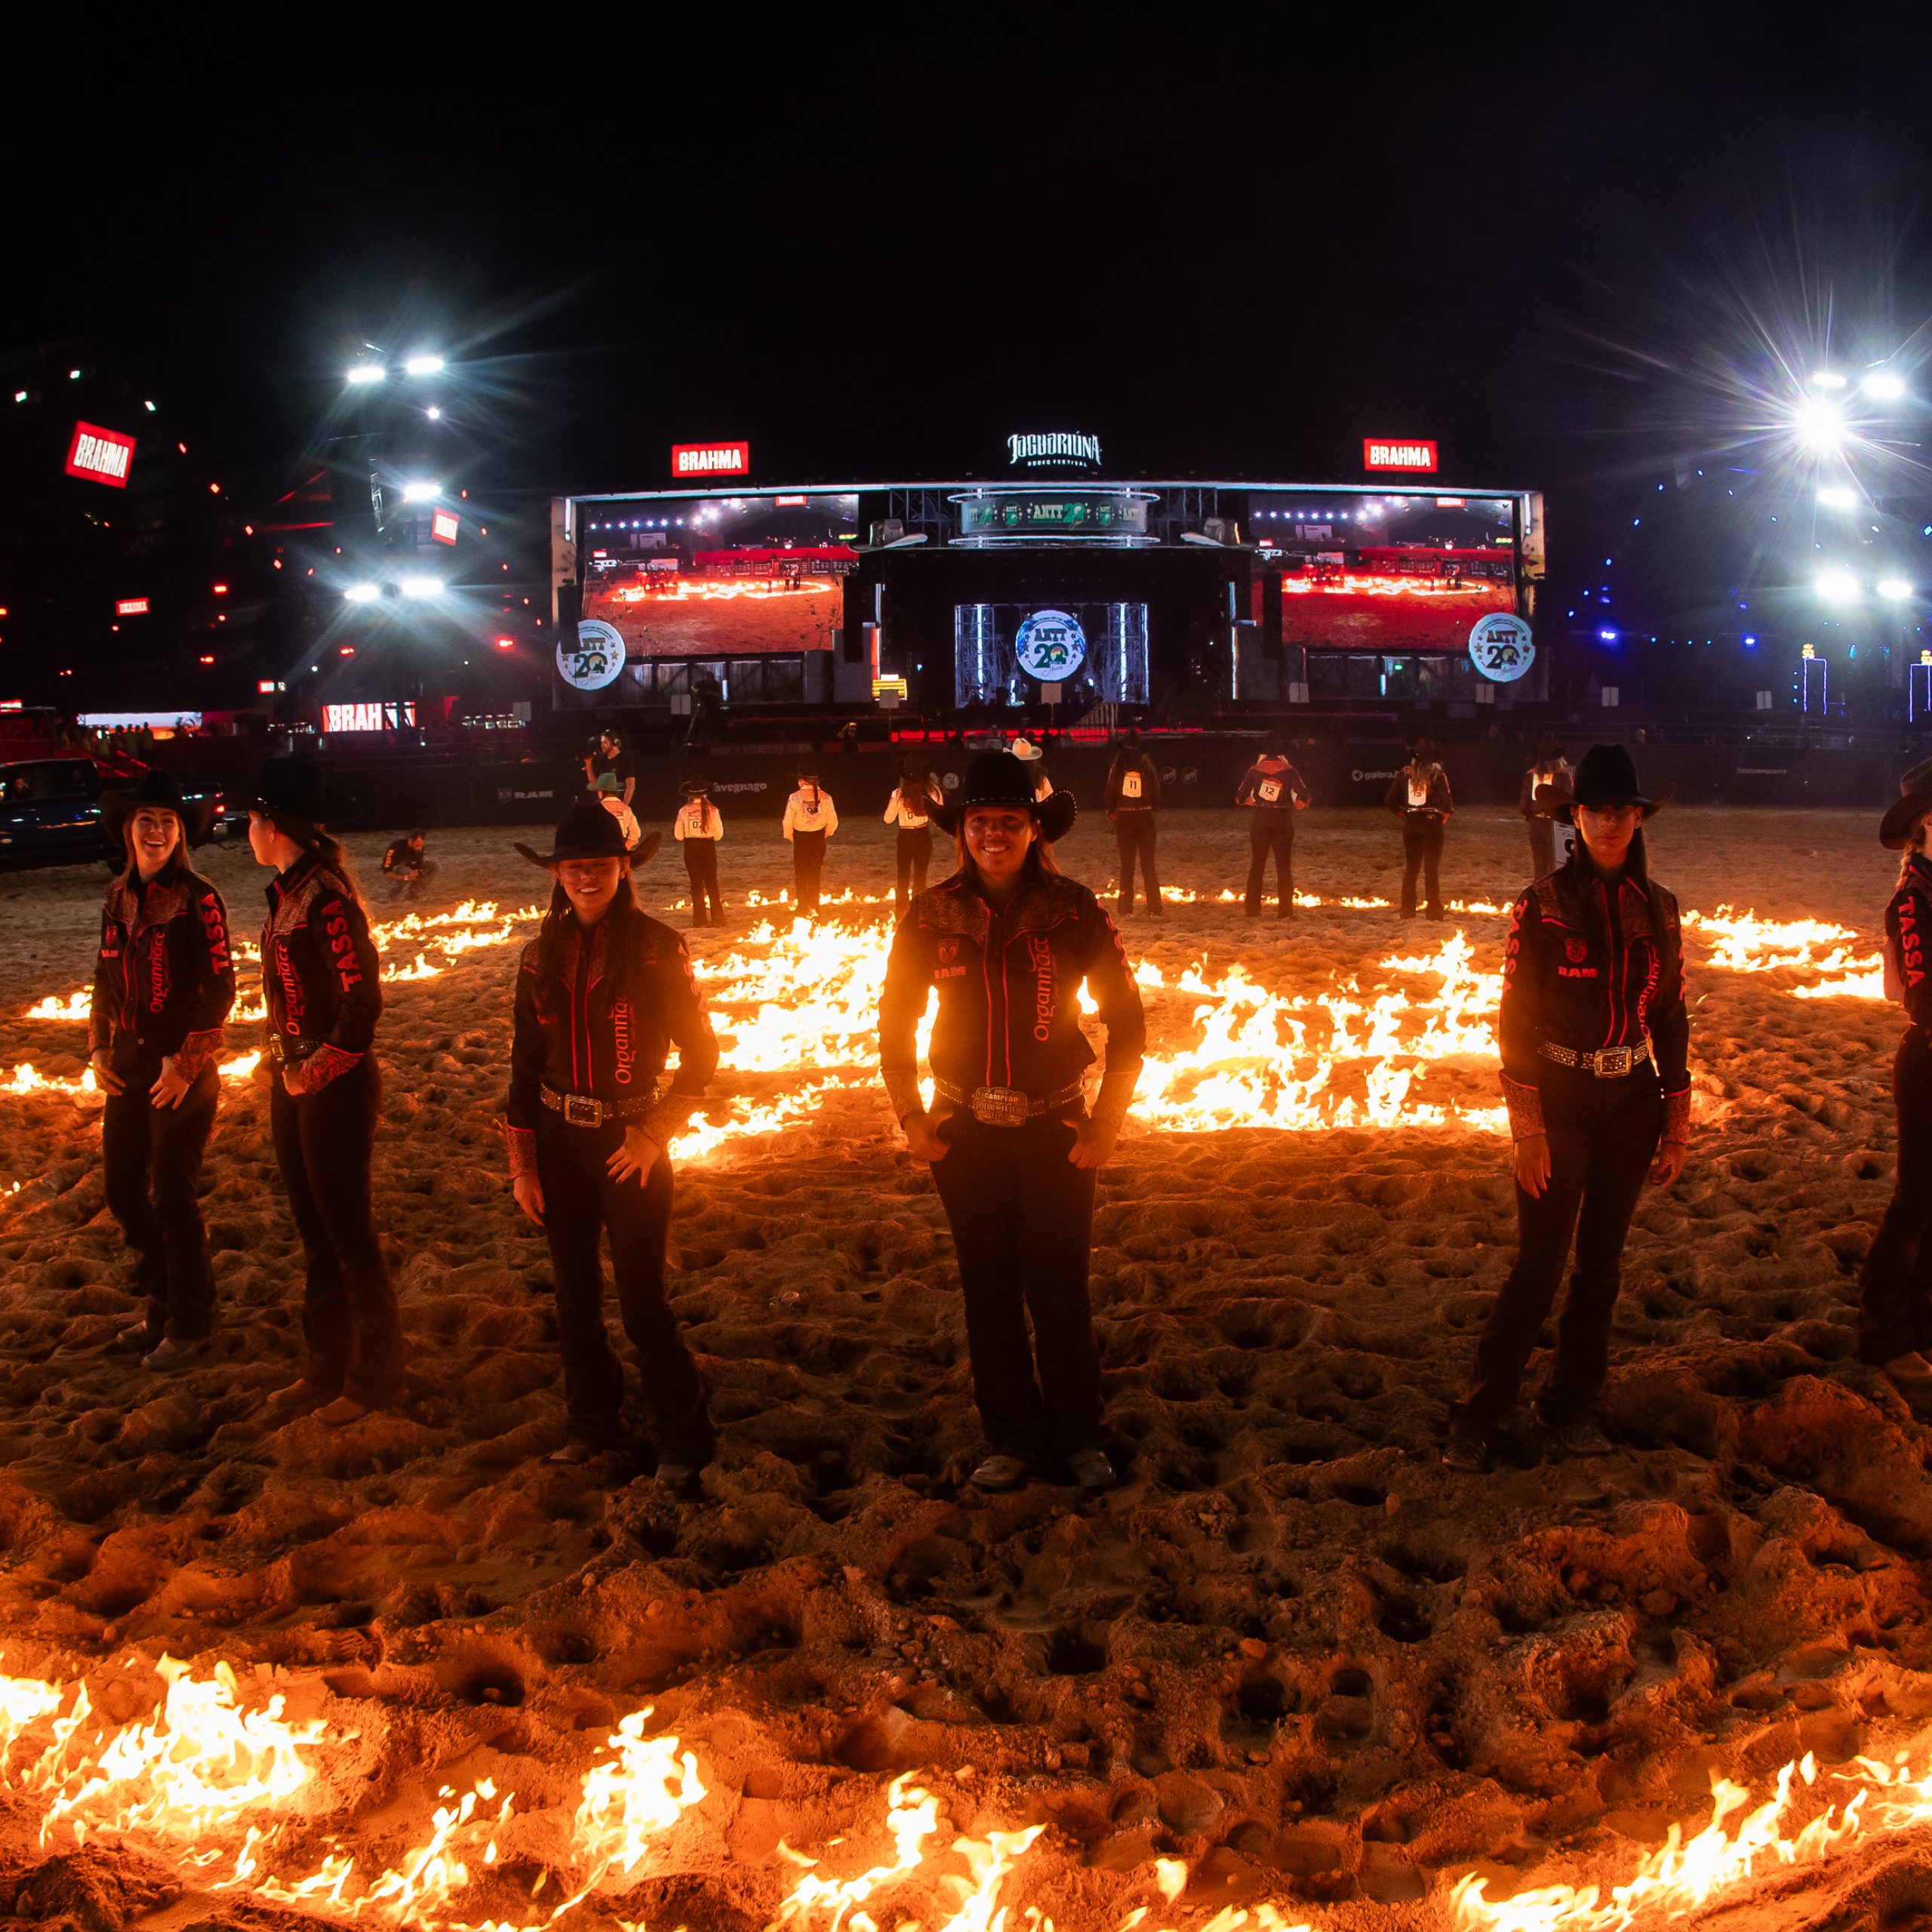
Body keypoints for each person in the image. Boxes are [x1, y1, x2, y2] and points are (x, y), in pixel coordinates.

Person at [878, 752, 1146, 1493]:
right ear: (959, 830)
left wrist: (1106, 1123)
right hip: (962, 1133)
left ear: (1033, 829)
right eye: (978, 823)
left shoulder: (1072, 909)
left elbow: (1128, 1021)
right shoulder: (929, 913)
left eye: (1008, 822)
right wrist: (911, 1116)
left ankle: (1080, 1436)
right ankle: (1011, 1438)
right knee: (986, 1286)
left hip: (1055, 1128)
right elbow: (894, 1024)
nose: (992, 834)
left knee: (1060, 1286)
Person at [1444, 744, 1690, 1470]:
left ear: (1639, 818)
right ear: (1575, 817)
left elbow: (1670, 1014)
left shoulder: (1661, 908)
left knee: (1602, 1266)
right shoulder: (1542, 905)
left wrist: (1675, 1120)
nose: (1609, 823)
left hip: (1630, 1103)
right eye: (1595, 810)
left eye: (1622, 811)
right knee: (1540, 1263)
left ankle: (1572, 1401)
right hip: (1559, 1097)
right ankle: (1482, 1410)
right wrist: (1528, 1128)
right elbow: (1514, 1018)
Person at [504, 804, 717, 1483]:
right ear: (557, 875)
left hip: (632, 1143)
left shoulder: (659, 947)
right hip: (560, 1141)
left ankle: (685, 1437)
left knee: (643, 1299)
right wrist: (522, 1167)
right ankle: (593, 1425)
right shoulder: (538, 957)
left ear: (624, 870)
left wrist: (655, 1135)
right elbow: (522, 1065)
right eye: (574, 868)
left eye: (599, 866)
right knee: (574, 1299)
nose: (586, 878)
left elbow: (703, 1054)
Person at [251, 758, 405, 1427]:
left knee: (348, 1235)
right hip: (293, 1077)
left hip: (332, 1084)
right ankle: (325, 1364)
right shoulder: (290, 891)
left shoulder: (326, 896)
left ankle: (375, 1377)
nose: (246, 829)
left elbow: (361, 994)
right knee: (315, 1231)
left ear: (273, 825)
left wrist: (321, 1066)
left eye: (252, 818)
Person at [91, 772, 235, 1371]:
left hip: (181, 1066)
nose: (156, 831)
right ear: (128, 829)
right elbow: (102, 976)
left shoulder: (200, 897)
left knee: (173, 1193)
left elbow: (222, 989)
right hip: (128, 1061)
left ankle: (191, 1320)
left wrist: (185, 1064)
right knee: (123, 1191)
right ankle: (163, 1300)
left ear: (181, 834)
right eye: (146, 820)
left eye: (167, 822)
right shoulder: (117, 895)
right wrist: (98, 1047)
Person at [1855, 759, 1932, 1410]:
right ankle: (1882, 1328)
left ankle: (1921, 1318)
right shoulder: (1912, 900)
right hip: (1929, 1057)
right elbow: (1922, 991)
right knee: (1915, 1199)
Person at [1235, 743, 1309, 918]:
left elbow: (1239, 797)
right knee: (1284, 868)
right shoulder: (1290, 770)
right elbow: (1305, 795)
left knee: (1257, 866)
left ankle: (1252, 910)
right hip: (1283, 820)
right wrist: (1300, 803)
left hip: (1260, 820)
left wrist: (1249, 801)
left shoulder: (1255, 769)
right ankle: (1285, 911)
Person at [1385, 738, 1452, 919]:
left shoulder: (1404, 774)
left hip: (1412, 824)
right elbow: (1448, 805)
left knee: (1411, 868)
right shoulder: (1438, 775)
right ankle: (1434, 911)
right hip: (1432, 824)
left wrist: (1405, 815)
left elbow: (1390, 801)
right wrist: (1442, 819)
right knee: (1431, 870)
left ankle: (1407, 909)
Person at [1106, 730, 1163, 917]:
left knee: (1127, 865)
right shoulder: (1147, 766)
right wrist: (1152, 806)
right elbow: (1156, 790)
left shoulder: (1118, 767)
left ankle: (1125, 908)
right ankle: (1155, 907)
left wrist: (1112, 810)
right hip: (1145, 817)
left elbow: (1110, 790)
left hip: (1126, 818)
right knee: (1148, 865)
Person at [884, 761, 941, 917]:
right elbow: (940, 810)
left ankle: (900, 915)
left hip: (906, 836)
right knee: (920, 878)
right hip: (923, 834)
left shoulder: (898, 794)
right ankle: (918, 915)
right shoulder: (933, 791)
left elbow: (888, 819)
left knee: (902, 878)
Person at [781, 767, 838, 915]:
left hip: (801, 838)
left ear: (801, 780)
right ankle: (814, 908)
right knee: (815, 875)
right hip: (818, 838)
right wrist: (824, 835)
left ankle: (802, 908)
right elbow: (833, 822)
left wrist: (791, 837)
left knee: (800, 874)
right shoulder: (826, 797)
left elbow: (787, 821)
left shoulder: (794, 797)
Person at [1519, 735, 1574, 881]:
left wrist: (1530, 817)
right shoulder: (1564, 776)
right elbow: (1570, 801)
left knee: (1540, 870)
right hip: (1556, 825)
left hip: (1537, 824)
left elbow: (1524, 805)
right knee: (1556, 868)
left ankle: (1539, 901)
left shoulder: (1530, 775)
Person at [674, 780, 724, 928]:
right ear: (705, 794)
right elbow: (719, 834)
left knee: (696, 884)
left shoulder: (683, 811)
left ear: (689, 795)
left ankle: (699, 920)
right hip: (708, 846)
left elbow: (678, 835)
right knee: (712, 883)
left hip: (691, 847)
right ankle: (718, 919)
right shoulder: (713, 810)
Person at [594, 771, 642, 851]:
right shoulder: (625, 809)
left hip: (600, 849)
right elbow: (636, 833)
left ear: (600, 791)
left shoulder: (596, 809)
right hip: (619, 848)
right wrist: (625, 847)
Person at [381, 830, 436, 900]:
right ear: (410, 841)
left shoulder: (420, 849)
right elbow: (387, 873)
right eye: (417, 845)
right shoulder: (394, 847)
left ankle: (413, 893)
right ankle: (393, 895)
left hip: (410, 869)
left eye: (421, 845)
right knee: (406, 870)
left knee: (435, 866)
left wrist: (421, 875)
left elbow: (420, 866)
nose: (420, 848)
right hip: (395, 873)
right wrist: (406, 877)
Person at [584, 730, 635, 807]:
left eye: (605, 742)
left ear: (615, 743)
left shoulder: (625, 759)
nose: (602, 745)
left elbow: (631, 786)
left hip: (619, 805)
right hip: (604, 806)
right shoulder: (602, 760)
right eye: (601, 742)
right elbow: (596, 786)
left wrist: (624, 807)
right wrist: (589, 767)